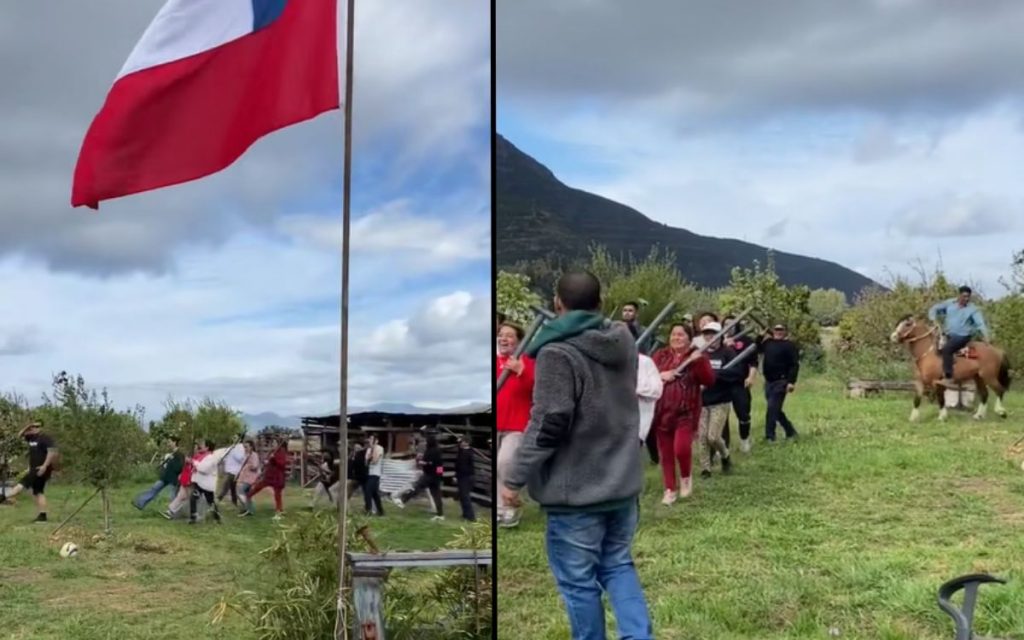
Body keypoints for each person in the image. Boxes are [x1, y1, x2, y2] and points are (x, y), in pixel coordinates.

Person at [501, 270, 653, 640]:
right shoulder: (624, 344)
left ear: (557, 304)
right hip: (622, 483)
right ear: (600, 304)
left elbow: (549, 422)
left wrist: (514, 476)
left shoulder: (556, 353)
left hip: (577, 493)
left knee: (579, 584)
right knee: (617, 564)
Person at [651, 324, 715, 504]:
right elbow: (646, 378)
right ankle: (670, 490)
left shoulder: (696, 355)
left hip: (685, 412)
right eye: (673, 334)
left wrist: (699, 361)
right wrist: (661, 375)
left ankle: (686, 477)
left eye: (681, 335)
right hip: (661, 412)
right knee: (666, 454)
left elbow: (709, 380)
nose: (676, 337)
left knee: (681, 449)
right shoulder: (660, 355)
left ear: (689, 338)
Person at [496, 321, 535, 528]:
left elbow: (537, 389)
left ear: (519, 340)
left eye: (509, 335)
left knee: (505, 463)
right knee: (496, 466)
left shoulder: (527, 362)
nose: (504, 339)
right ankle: (500, 510)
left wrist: (522, 371)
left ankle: (509, 507)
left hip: (516, 425)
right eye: (501, 335)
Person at [698, 322, 742, 477]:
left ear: (720, 335)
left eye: (713, 333)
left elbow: (736, 373)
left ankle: (725, 456)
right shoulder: (701, 353)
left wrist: (715, 375)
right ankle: (705, 468)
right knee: (702, 437)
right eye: (707, 334)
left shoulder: (727, 353)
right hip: (702, 401)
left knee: (713, 436)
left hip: (721, 401)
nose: (710, 337)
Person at [928, 285, 991, 386]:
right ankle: (937, 372)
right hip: (947, 334)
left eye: (968, 297)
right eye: (964, 296)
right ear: (959, 295)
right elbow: (934, 309)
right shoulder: (949, 303)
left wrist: (986, 336)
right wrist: (934, 320)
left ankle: (949, 377)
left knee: (947, 349)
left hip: (962, 336)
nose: (966, 299)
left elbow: (980, 324)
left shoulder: (973, 309)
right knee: (933, 349)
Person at [0, 421, 58, 523]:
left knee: (21, 485)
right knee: (38, 492)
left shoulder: (45, 438)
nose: (34, 428)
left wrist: (44, 466)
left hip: (40, 468)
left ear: (41, 427)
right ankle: (42, 516)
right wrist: (27, 426)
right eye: (33, 426)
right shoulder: (31, 437)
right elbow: (20, 435)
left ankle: (3, 497)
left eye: (37, 426)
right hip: (33, 468)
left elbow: (52, 452)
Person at [758, 323, 800, 442]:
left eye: (781, 329)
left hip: (781, 381)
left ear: (785, 331)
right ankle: (790, 431)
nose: (779, 331)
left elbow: (794, 365)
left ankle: (770, 437)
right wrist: (760, 336)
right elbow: (757, 349)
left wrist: (791, 382)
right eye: (776, 329)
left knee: (771, 409)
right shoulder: (768, 343)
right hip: (768, 382)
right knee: (775, 409)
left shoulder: (790, 345)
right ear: (773, 330)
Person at [723, 315, 758, 454]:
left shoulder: (746, 341)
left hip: (739, 383)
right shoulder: (717, 341)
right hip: (722, 384)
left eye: (732, 323)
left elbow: (753, 362)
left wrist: (751, 377)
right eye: (726, 324)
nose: (729, 326)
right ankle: (722, 446)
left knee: (743, 414)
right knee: (720, 417)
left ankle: (745, 440)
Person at [392, 432, 444, 521]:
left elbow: (427, 463)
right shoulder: (438, 451)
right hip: (436, 476)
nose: (426, 443)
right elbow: (440, 465)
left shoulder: (430, 451)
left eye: (427, 441)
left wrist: (422, 462)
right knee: (436, 495)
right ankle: (440, 515)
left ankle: (403, 500)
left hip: (429, 475)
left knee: (417, 487)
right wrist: (440, 475)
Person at [132, 437, 183, 511]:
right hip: (165, 477)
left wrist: (173, 468)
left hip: (174, 479)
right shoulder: (171, 454)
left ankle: (172, 512)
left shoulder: (179, 454)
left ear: (174, 442)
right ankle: (140, 503)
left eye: (170, 442)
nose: (168, 444)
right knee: (154, 489)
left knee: (173, 496)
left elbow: (179, 467)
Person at [247, 437, 288, 520]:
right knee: (257, 487)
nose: (272, 445)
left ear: (278, 444)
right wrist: (267, 462)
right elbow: (268, 462)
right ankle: (248, 499)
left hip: (277, 477)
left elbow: (282, 464)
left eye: (274, 443)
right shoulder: (272, 452)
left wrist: (274, 459)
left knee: (277, 495)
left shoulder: (281, 452)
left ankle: (278, 512)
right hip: (269, 476)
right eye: (272, 443)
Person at [188, 439, 222, 525]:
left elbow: (203, 469)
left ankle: (217, 517)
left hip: (206, 484)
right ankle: (193, 517)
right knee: (193, 498)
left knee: (210, 502)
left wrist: (193, 462)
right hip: (199, 483)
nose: (200, 446)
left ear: (207, 447)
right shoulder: (202, 456)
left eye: (202, 444)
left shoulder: (211, 457)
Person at [216, 438, 247, 508]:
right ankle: (236, 504)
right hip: (229, 470)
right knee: (233, 489)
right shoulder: (233, 447)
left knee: (225, 487)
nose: (234, 438)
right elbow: (227, 457)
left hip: (234, 472)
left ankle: (216, 501)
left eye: (235, 437)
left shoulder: (240, 447)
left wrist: (233, 451)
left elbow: (241, 459)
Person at [236, 440, 261, 517]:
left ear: (251, 447)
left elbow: (255, 466)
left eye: (246, 447)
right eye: (244, 447)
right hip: (245, 477)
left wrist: (248, 465)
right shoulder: (247, 455)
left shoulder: (254, 455)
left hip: (250, 478)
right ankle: (250, 510)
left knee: (240, 491)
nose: (245, 448)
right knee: (247, 494)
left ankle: (247, 508)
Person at [455, 436, 476, 522]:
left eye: (462, 442)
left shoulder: (468, 453)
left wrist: (457, 475)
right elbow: (459, 452)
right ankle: (465, 514)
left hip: (466, 477)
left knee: (465, 496)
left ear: (467, 443)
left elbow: (462, 467)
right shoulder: (463, 451)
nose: (461, 443)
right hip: (462, 477)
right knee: (462, 497)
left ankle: (471, 517)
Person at [363, 435, 385, 516]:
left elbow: (375, 460)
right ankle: (381, 511)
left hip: (376, 473)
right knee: (375, 494)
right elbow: (366, 462)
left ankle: (368, 510)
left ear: (376, 440)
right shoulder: (368, 449)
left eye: (372, 439)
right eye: (370, 438)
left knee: (368, 491)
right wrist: (370, 451)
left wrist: (374, 448)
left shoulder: (380, 448)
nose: (370, 440)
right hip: (369, 473)